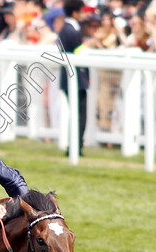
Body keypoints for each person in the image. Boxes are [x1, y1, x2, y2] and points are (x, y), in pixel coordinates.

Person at [57, 0, 90, 156]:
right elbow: (80, 54)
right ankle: (76, 147)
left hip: (69, 78)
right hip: (76, 78)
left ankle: (74, 146)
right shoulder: (72, 30)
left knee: (76, 113)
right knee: (80, 114)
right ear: (76, 12)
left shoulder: (65, 28)